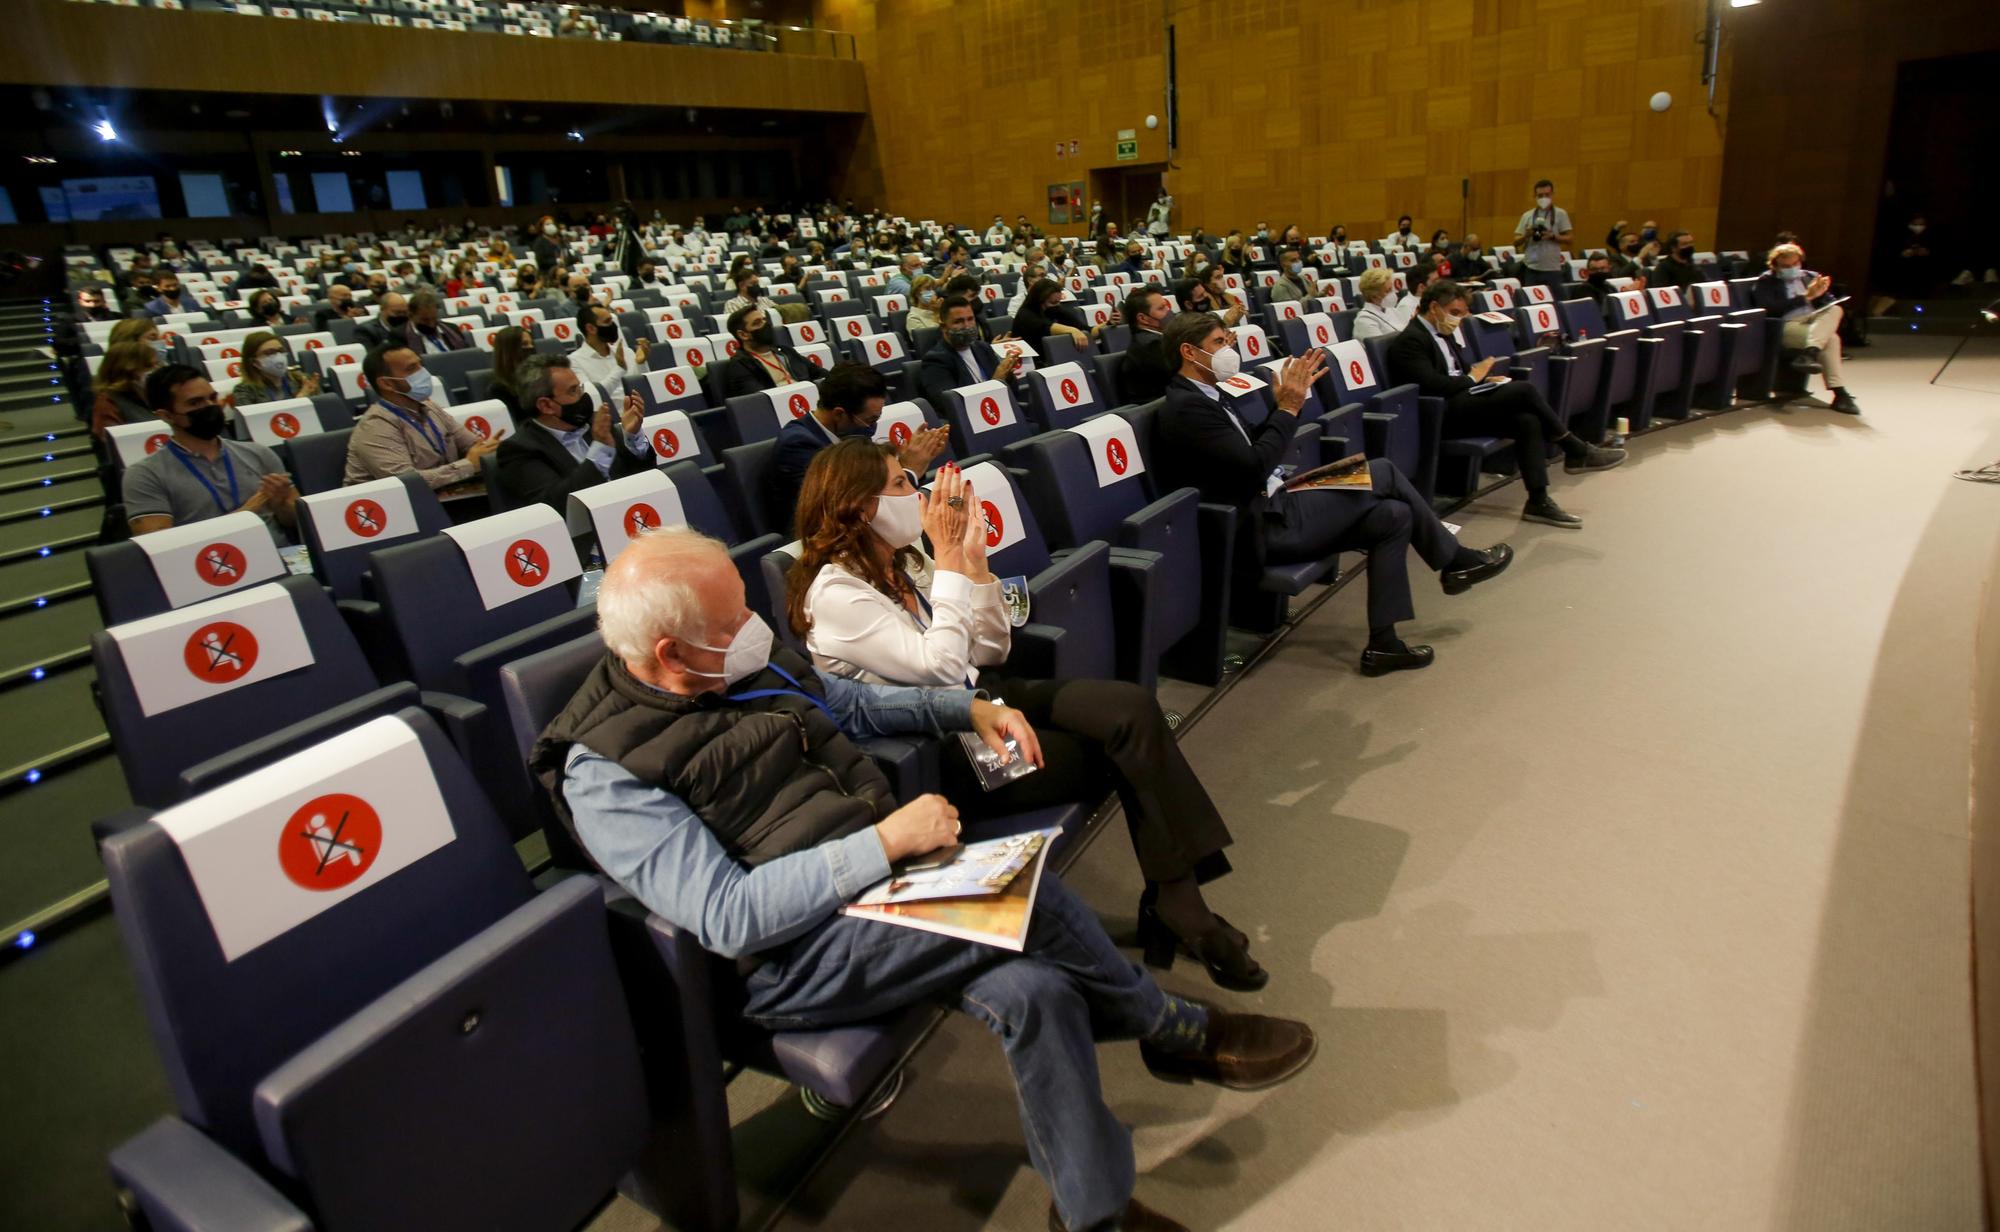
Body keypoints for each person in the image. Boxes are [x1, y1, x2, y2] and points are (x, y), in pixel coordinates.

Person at [532, 525, 1316, 1232]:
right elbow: (730, 917)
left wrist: (967, 707)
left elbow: (850, 704)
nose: (754, 629)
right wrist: (883, 840)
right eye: (733, 620)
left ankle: (1093, 1215)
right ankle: (1172, 1029)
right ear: (670, 653)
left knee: (1036, 993)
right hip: (788, 963)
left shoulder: (735, 661)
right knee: (1028, 893)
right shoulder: (603, 771)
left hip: (886, 893)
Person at [793, 440, 1265, 985]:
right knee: (1125, 753)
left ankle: (1176, 900)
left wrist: (975, 568)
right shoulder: (834, 593)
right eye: (900, 484)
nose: (917, 494)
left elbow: (992, 650)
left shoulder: (908, 562)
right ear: (857, 505)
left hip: (985, 697)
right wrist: (948, 565)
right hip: (942, 746)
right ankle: (1182, 908)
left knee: (1132, 710)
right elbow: (943, 670)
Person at [1157, 313, 1512, 675]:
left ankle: (1384, 645)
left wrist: (1280, 408)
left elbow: (1249, 451)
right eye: (1219, 343)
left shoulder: (1211, 394)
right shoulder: (1187, 407)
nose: (1229, 349)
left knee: (1394, 516)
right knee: (1384, 471)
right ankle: (1455, 561)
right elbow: (1252, 465)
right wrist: (1288, 408)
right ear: (1189, 351)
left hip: (1280, 497)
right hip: (1264, 524)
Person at [1387, 280, 1625, 530]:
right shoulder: (1410, 341)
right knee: (1524, 390)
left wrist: (1484, 380)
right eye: (1454, 313)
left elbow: (1456, 374)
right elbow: (1432, 385)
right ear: (1434, 307)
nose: (1458, 320)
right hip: (1438, 414)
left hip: (1460, 403)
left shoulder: (1444, 333)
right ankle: (1575, 449)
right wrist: (1472, 379)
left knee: (1526, 421)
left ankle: (1538, 500)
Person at [125, 365, 297, 543]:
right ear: (167, 416)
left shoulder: (258, 453)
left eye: (213, 398)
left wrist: (281, 504)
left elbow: (296, 521)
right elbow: (158, 545)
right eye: (195, 403)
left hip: (278, 555)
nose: (210, 407)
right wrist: (244, 514)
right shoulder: (145, 475)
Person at [771, 363, 948, 533]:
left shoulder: (846, 433)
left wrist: (914, 460)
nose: (873, 427)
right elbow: (842, 505)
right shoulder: (799, 445)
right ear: (839, 414)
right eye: (870, 420)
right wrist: (909, 471)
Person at [494, 355, 655, 510]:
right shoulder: (518, 451)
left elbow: (645, 473)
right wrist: (600, 450)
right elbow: (558, 505)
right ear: (546, 405)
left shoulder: (593, 422)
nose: (583, 396)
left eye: (580, 387)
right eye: (573, 391)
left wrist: (633, 436)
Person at [342, 344, 502, 488]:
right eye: (412, 368)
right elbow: (406, 482)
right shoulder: (375, 426)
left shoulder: (429, 406)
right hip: (393, 509)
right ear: (387, 384)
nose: (423, 373)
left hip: (447, 493)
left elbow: (472, 445)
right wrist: (468, 465)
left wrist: (488, 450)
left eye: (421, 365)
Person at [1750, 243, 1860, 415]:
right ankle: (1840, 393)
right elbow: (1769, 308)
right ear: (1775, 265)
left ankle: (1810, 352)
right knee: (1832, 339)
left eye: (1795, 264)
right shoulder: (1766, 281)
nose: (1792, 268)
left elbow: (1827, 304)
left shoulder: (1810, 277)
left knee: (1836, 309)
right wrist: (1805, 298)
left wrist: (1822, 294)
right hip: (1787, 324)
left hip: (1814, 321)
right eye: (1786, 266)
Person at [914, 296, 1019, 411]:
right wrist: (995, 382)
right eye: (958, 321)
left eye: (970, 319)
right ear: (944, 327)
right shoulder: (935, 361)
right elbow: (952, 407)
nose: (967, 326)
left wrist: (1008, 376)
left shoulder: (983, 348)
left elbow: (1013, 392)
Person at [719, 303, 818, 399]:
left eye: (764, 320)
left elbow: (820, 374)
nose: (765, 325)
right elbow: (760, 400)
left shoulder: (785, 351)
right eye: (757, 323)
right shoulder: (740, 365)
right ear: (743, 335)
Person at [568, 301, 649, 406]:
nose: (613, 326)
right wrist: (620, 368)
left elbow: (643, 388)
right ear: (591, 328)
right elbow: (593, 397)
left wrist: (641, 364)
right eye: (607, 322)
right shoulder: (573, 361)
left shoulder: (627, 352)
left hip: (642, 409)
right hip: (612, 416)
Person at [1512, 179, 1573, 294]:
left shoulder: (1560, 214)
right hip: (1531, 268)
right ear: (1534, 196)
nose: (1543, 198)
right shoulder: (1527, 215)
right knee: (1532, 303)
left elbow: (1570, 238)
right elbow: (1515, 242)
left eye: (1547, 195)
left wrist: (1553, 236)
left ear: (1552, 195)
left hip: (1552, 269)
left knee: (1554, 304)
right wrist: (1526, 235)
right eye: (1540, 195)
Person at [89, 340, 158, 440]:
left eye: (157, 364)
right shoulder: (107, 403)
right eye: (148, 366)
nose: (156, 369)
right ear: (127, 370)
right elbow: (115, 445)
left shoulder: (151, 392)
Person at [231, 331, 321, 406]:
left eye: (281, 351)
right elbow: (256, 423)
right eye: (270, 352)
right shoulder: (244, 391)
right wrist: (300, 399)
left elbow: (325, 409)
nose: (278, 356)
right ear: (255, 362)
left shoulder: (302, 380)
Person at [1117, 286, 1174, 403]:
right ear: (1143, 318)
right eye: (1162, 308)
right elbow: (1182, 375)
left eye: (1167, 306)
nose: (1168, 311)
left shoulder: (1158, 338)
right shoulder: (1150, 345)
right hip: (1156, 408)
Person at [486, 325, 535, 418]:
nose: (531, 348)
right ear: (509, 350)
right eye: (525, 344)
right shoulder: (498, 389)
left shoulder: (540, 375)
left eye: (531, 343)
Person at [1351, 267, 1405, 339]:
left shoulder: (1393, 311)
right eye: (1388, 291)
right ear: (1374, 296)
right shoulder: (1365, 320)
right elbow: (1381, 347)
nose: (1393, 293)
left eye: (1392, 289)